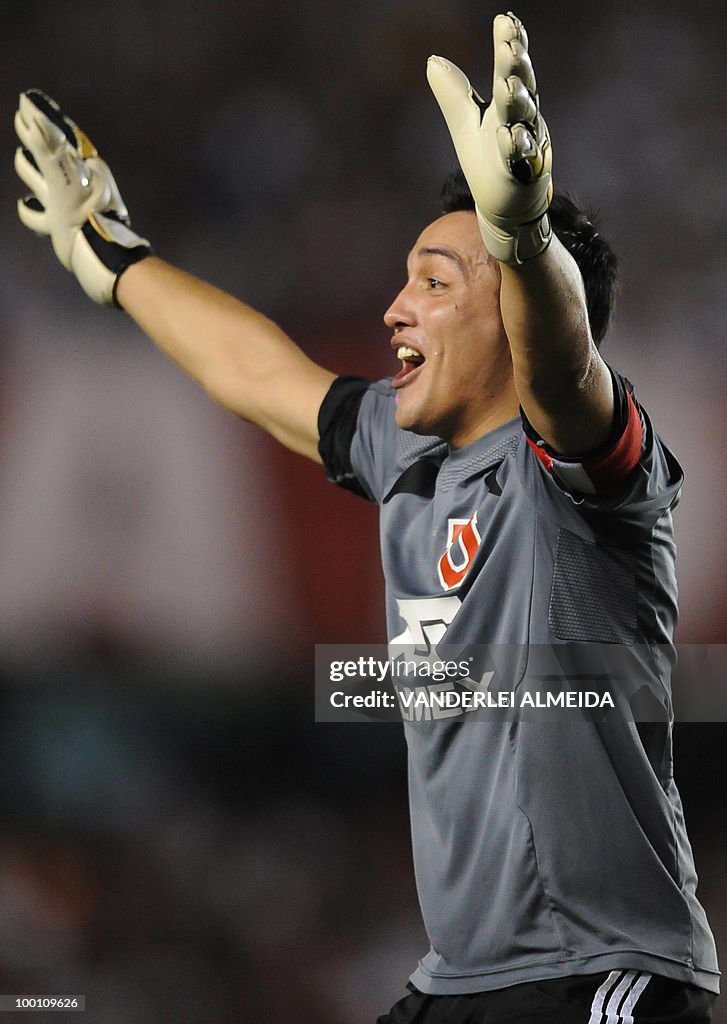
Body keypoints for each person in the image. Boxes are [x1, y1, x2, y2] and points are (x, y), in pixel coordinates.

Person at [13, 11, 719, 1024]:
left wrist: (522, 242)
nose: (395, 309)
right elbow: (254, 372)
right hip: (457, 983)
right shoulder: (403, 451)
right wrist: (121, 262)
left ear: (515, 317)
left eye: (433, 283)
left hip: (601, 979)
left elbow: (564, 369)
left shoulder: (589, 480)